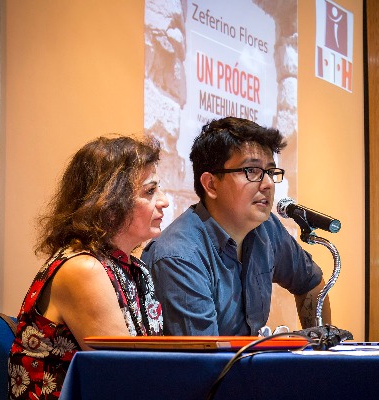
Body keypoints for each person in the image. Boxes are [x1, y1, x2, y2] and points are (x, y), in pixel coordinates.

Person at [7, 135, 169, 399]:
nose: (164, 201)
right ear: (110, 203)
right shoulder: (83, 269)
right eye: (150, 191)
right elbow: (123, 377)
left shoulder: (135, 267)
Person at [141, 117, 331, 336]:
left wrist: (320, 347)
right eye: (252, 171)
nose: (268, 184)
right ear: (211, 184)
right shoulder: (179, 256)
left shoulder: (267, 229)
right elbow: (205, 354)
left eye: (270, 172)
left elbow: (311, 284)